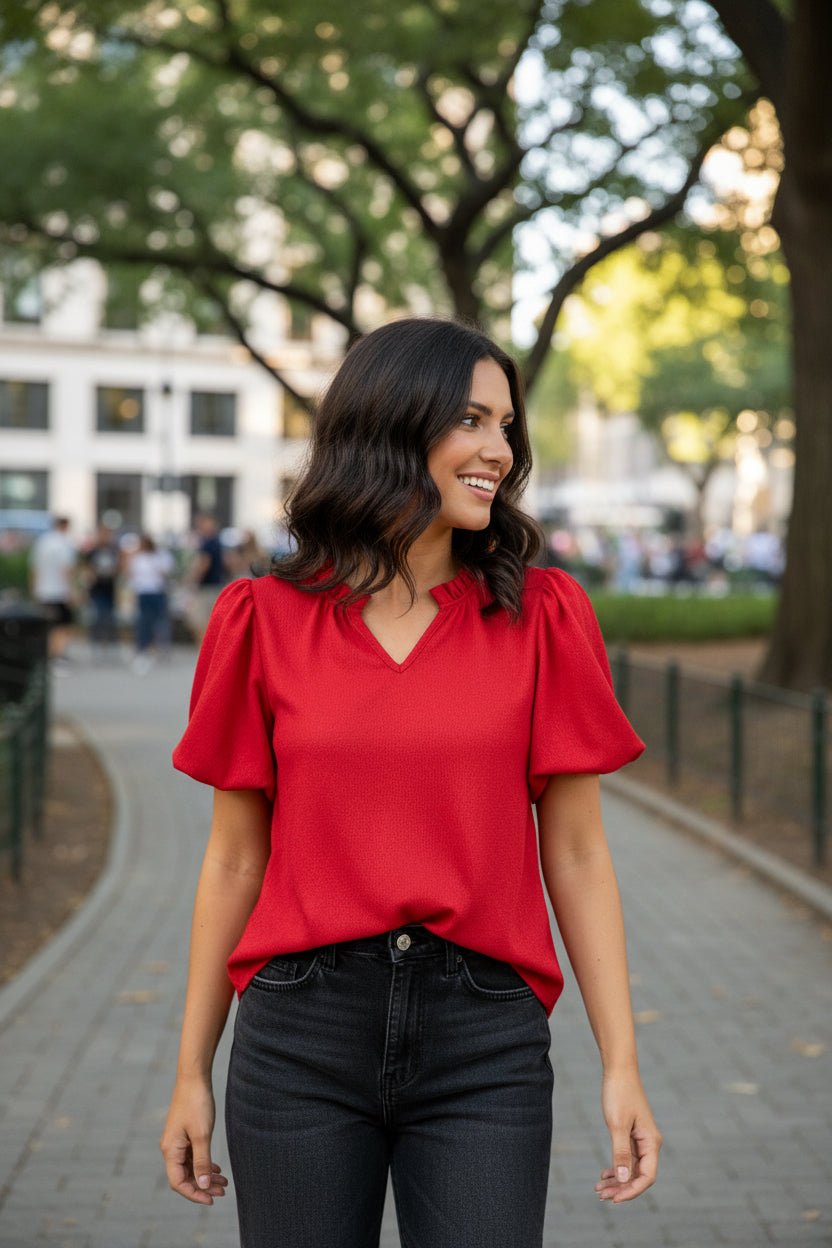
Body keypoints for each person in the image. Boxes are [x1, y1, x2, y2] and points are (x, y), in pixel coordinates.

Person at [162, 317, 663, 1247]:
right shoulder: (261, 620)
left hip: (486, 1039)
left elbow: (581, 854)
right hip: (299, 1033)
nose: (499, 451)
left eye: (507, 427)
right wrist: (192, 1069)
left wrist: (621, 1063)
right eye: (472, 421)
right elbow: (235, 861)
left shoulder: (542, 615)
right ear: (393, 424)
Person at [28, 515, 77, 666]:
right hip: (59, 591)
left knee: (47, 625)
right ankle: (56, 656)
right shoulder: (64, 543)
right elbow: (66, 569)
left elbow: (34, 568)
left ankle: (47, 655)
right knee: (62, 625)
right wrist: (72, 590)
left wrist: (34, 589)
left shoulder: (42, 542)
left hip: (43, 590)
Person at [127, 534, 174, 674]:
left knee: (159, 621)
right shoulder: (138, 558)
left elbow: (166, 571)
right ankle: (144, 648)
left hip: (156, 592)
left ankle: (160, 647)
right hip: (144, 593)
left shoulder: (159, 557)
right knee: (144, 622)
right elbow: (132, 576)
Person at [182, 513, 226, 646]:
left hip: (206, 589)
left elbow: (203, 564)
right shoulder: (217, 542)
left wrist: (190, 580)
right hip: (215, 586)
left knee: (201, 623)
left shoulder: (208, 543)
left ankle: (204, 652)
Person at [81, 523, 122, 660]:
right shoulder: (93, 552)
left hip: (109, 589)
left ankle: (111, 646)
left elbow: (119, 567)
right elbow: (86, 569)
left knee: (110, 618)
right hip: (97, 589)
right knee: (97, 617)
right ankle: (97, 645)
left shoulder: (114, 551)